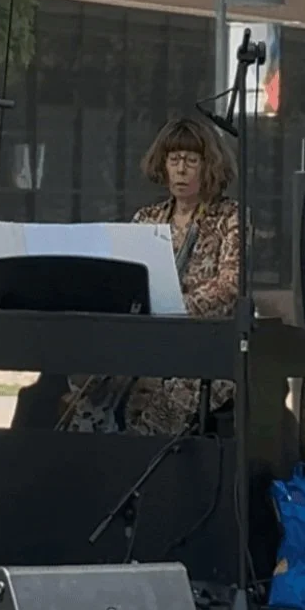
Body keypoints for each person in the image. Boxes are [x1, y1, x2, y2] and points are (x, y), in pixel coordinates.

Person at [61, 116, 238, 435]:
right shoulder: (147, 218)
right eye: (174, 160)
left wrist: (174, 307)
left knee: (155, 414)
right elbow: (120, 279)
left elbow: (229, 285)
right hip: (143, 342)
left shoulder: (230, 217)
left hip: (204, 350)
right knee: (89, 394)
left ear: (208, 166)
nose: (181, 170)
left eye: (191, 161)